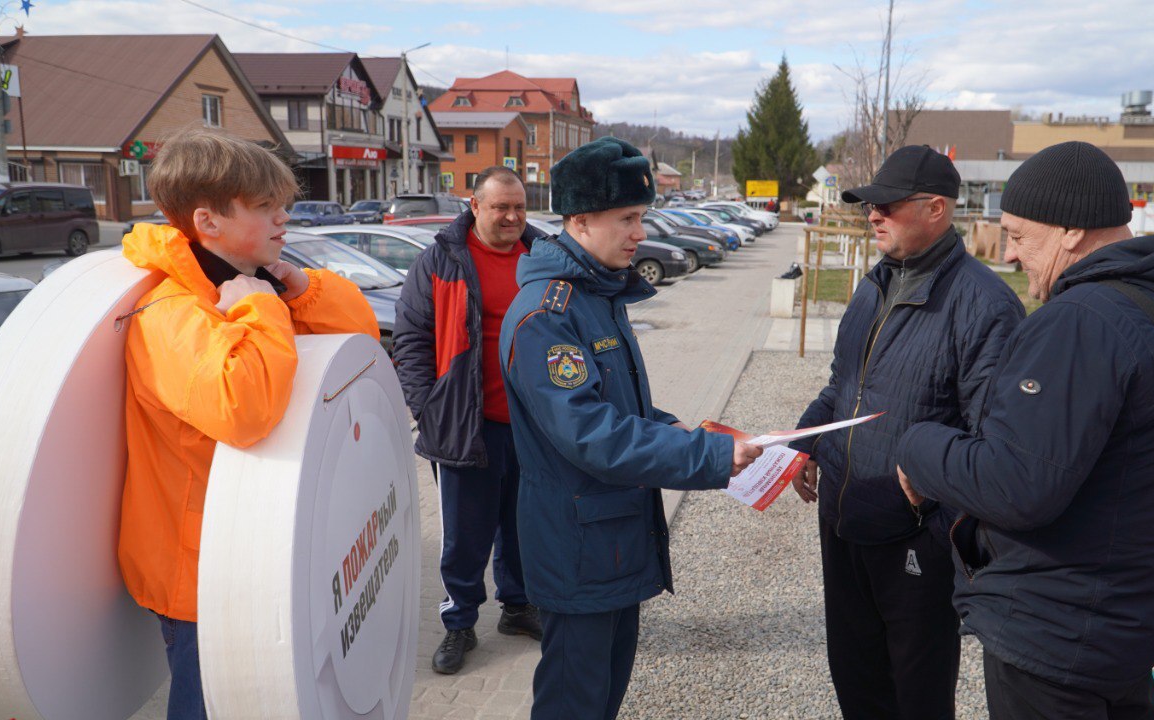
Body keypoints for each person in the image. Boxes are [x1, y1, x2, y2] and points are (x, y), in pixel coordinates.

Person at [896, 141, 1154, 720]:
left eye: (1017, 235)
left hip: (1058, 636)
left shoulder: (1083, 321)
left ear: (1068, 231)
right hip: (1138, 622)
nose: (1009, 255)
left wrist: (918, 446)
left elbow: (1016, 484)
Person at [116, 127, 378, 720]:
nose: (284, 218)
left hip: (252, 551)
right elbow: (245, 410)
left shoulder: (246, 286)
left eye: (282, 204)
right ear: (208, 222)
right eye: (265, 207)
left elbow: (357, 345)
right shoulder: (172, 312)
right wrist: (261, 305)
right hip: (201, 575)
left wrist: (301, 289)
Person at [499, 137, 763, 720]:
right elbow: (594, 435)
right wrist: (709, 457)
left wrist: (699, 434)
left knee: (603, 700)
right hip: (577, 549)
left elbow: (630, 414)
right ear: (579, 220)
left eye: (641, 217)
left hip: (611, 543)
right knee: (575, 702)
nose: (641, 233)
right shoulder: (548, 314)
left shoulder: (597, 296)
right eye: (628, 219)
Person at [788, 144, 1024, 720]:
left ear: (936, 209)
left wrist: (932, 525)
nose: (873, 215)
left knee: (915, 696)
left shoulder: (985, 306)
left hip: (915, 545)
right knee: (856, 680)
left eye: (887, 206)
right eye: (870, 205)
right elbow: (843, 388)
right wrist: (803, 442)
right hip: (843, 525)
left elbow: (991, 444)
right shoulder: (872, 285)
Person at [393, 165, 545, 674]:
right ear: (475, 206)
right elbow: (411, 341)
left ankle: (517, 607)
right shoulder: (441, 261)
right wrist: (428, 408)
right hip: (464, 427)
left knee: (523, 526)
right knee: (465, 535)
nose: (512, 216)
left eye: (519, 207)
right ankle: (459, 625)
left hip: (531, 427)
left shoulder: (542, 257)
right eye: (501, 207)